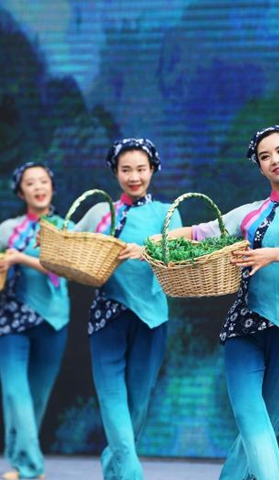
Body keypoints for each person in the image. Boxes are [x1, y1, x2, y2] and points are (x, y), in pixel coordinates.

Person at [163, 125, 279, 480]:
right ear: (259, 167)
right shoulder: (247, 212)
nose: (275, 159)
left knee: (270, 423)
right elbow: (199, 232)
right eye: (265, 156)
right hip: (244, 325)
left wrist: (272, 254)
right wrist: (156, 239)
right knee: (249, 415)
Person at [72, 138, 181, 480]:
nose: (134, 176)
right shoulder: (100, 211)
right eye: (126, 169)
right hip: (108, 312)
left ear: (153, 170)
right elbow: (71, 245)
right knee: (112, 398)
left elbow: (176, 258)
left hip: (152, 317)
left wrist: (145, 250)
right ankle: (132, 474)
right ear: (115, 172)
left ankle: (114, 468)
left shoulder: (167, 213)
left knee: (137, 403)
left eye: (141, 169)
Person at [0, 162, 70, 480]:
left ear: (52, 187)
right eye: (30, 183)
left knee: (37, 394)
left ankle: (20, 459)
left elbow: (61, 267)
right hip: (12, 318)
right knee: (15, 392)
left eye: (43, 181)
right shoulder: (9, 229)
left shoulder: (65, 227)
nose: (38, 187)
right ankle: (31, 466)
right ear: (20, 192)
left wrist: (19, 258)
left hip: (53, 318)